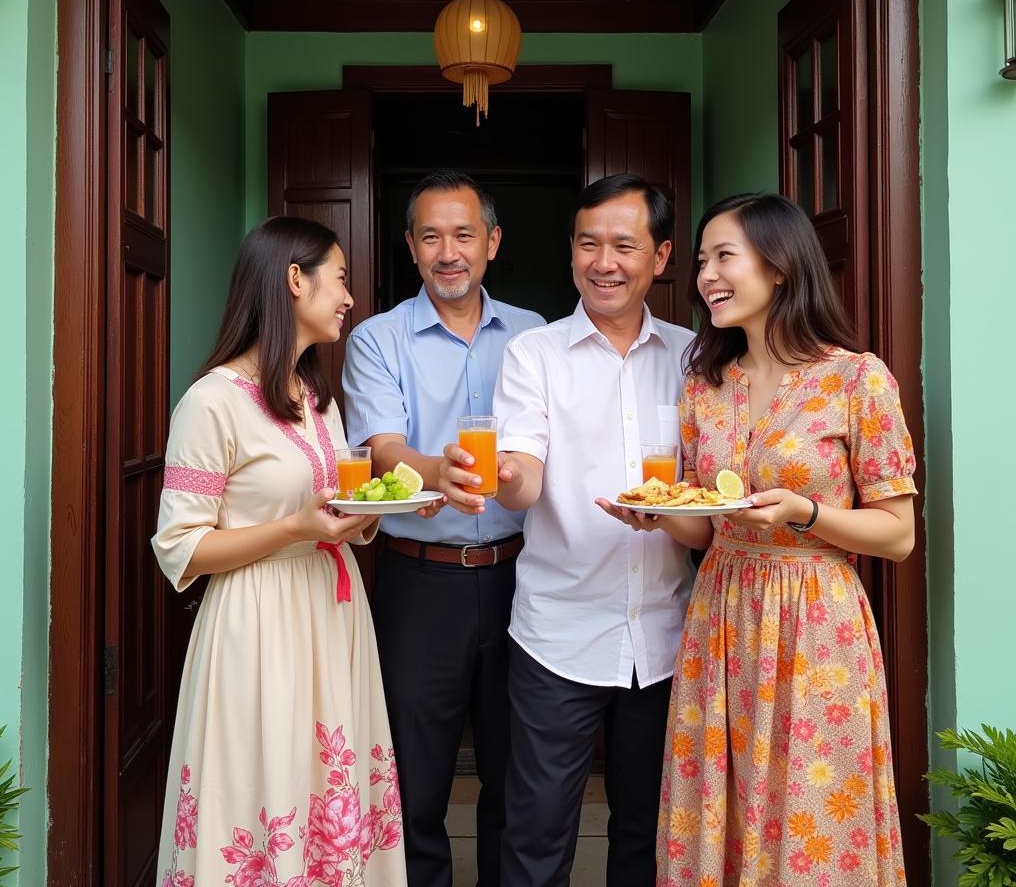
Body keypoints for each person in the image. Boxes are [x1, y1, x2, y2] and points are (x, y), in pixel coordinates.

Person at [600, 192, 915, 886]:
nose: (706, 274)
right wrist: (654, 515)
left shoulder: (856, 380)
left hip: (817, 627)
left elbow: (896, 536)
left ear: (778, 267)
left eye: (724, 256)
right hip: (721, 614)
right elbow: (702, 526)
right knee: (724, 806)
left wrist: (806, 512)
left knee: (810, 812)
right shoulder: (706, 386)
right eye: (702, 258)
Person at [440, 173, 695, 886]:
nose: (603, 262)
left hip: (665, 637)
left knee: (648, 831)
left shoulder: (693, 357)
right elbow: (523, 464)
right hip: (558, 633)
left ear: (662, 255)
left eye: (623, 245)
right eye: (588, 244)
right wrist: (500, 478)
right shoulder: (536, 355)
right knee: (537, 828)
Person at [152, 217, 407, 887]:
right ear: (295, 280)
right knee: (265, 786)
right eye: (341, 278)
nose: (350, 297)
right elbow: (181, 547)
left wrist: (374, 515)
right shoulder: (210, 405)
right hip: (257, 627)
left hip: (331, 615)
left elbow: (335, 505)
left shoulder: (317, 396)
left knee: (327, 782)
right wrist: (295, 529)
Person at [343, 169, 544, 887]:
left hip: (525, 579)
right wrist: (437, 471)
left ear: (491, 242)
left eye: (464, 234)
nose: (448, 251)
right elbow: (382, 447)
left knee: (515, 776)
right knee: (415, 782)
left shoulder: (534, 334)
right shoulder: (376, 338)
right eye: (431, 236)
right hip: (418, 580)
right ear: (410, 245)